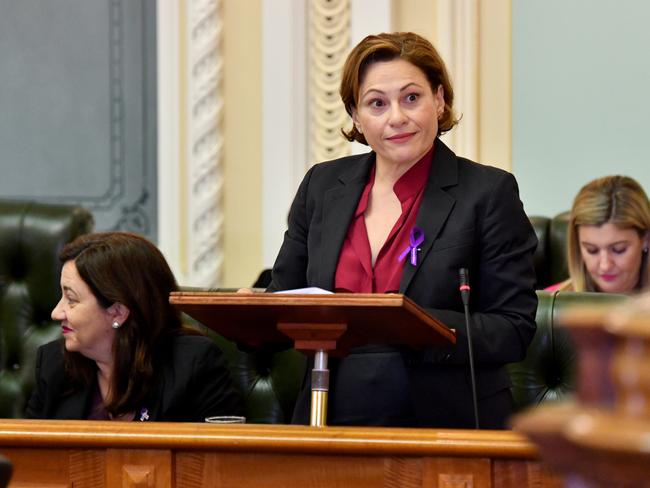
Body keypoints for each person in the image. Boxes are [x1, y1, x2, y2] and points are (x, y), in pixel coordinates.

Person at [267, 32, 538, 428]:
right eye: (377, 103)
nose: (397, 117)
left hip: (444, 418)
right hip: (330, 413)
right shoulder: (322, 187)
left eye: (412, 98)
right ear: (356, 116)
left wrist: (411, 326)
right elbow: (285, 298)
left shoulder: (487, 193)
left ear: (439, 100)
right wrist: (254, 315)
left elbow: (513, 328)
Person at [26, 231, 243, 421]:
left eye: (71, 299)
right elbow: (30, 459)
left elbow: (222, 462)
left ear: (119, 311)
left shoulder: (194, 365)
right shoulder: (54, 365)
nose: (56, 313)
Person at [546, 176, 650, 294]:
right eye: (592, 250)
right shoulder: (549, 303)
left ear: (646, 239)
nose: (605, 266)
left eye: (618, 249)